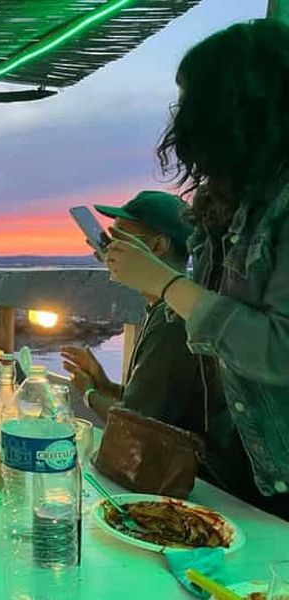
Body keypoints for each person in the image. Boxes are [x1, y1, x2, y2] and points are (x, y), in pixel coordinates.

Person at [105, 19, 289, 519]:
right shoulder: (226, 203)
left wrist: (164, 282)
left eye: (190, 100)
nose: (179, 119)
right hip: (226, 467)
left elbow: (280, 349)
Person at [60, 192, 204, 433]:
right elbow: (151, 405)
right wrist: (103, 384)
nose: (110, 249)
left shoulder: (172, 319)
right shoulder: (166, 307)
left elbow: (135, 424)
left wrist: (89, 393)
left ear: (157, 246)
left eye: (119, 239)